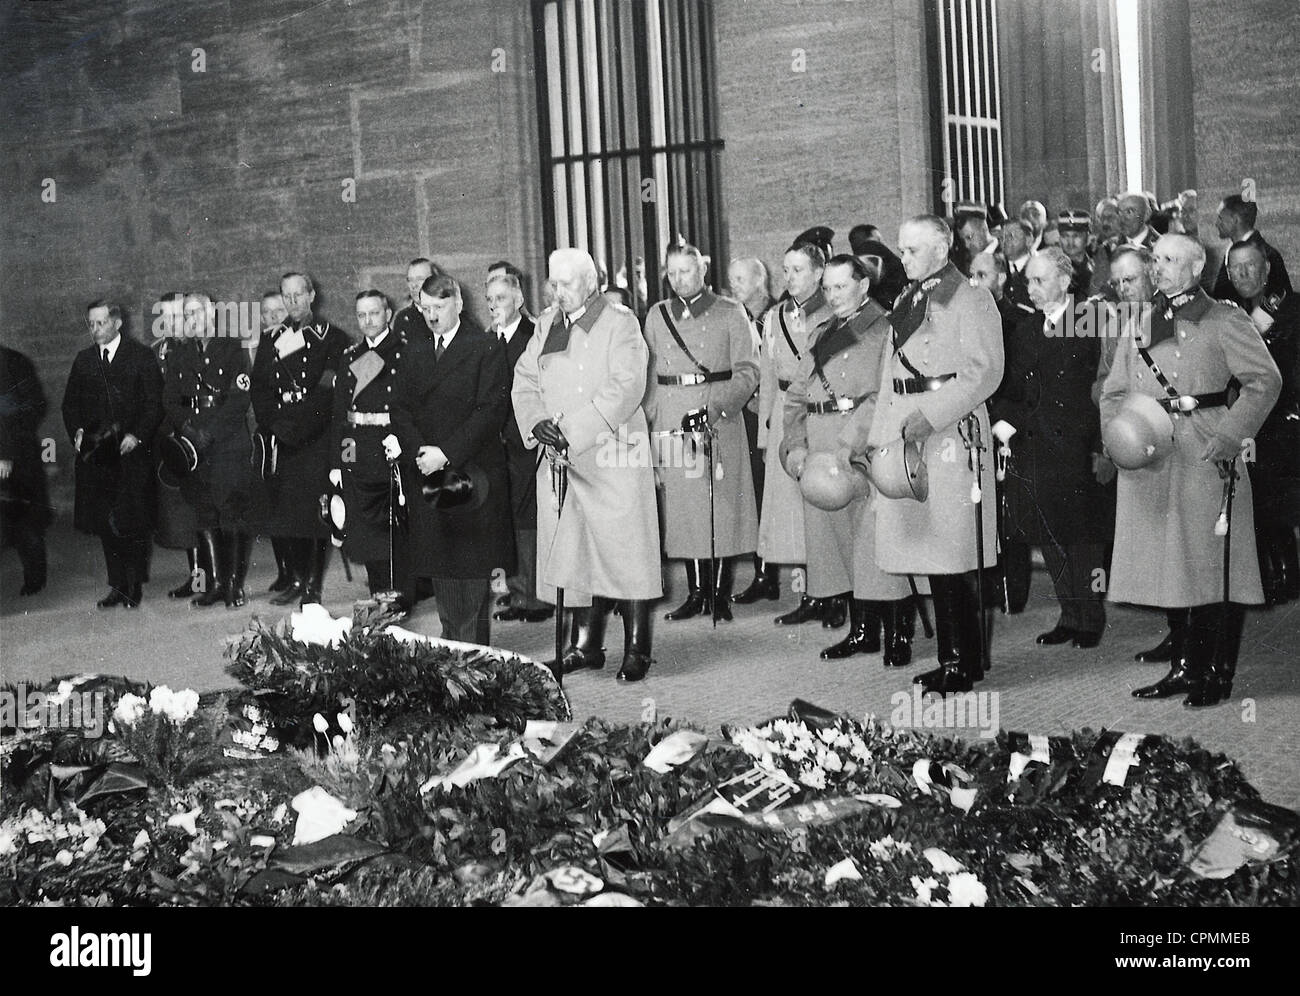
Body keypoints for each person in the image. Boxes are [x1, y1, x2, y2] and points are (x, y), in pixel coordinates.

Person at [1104, 234, 1281, 708]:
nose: (1157, 268)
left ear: (1196, 268)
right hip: (1150, 449)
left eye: (1168, 260)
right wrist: (1117, 434)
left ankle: (1214, 672)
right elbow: (1115, 391)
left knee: (1210, 566)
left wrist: (1232, 434)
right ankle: (1182, 665)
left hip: (1205, 446)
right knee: (1170, 564)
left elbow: (1265, 381)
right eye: (1155, 259)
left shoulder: (1224, 318)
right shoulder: (1141, 321)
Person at [511, 248, 663, 682]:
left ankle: (637, 648)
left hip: (613, 452)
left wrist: (573, 430)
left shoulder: (620, 322)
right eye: (553, 285)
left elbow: (627, 386)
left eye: (567, 284)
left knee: (625, 550)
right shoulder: (545, 325)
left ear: (591, 284)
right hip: (559, 455)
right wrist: (537, 421)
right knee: (574, 549)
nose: (557, 293)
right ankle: (585, 645)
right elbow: (525, 380)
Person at [868, 216, 1003, 695]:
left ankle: (965, 663)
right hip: (906, 427)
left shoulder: (970, 297)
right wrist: (879, 437)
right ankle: (950, 658)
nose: (902, 258)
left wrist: (934, 414)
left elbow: (985, 372)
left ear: (942, 248)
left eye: (911, 250)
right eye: (902, 250)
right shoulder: (907, 299)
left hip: (948, 429)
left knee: (953, 549)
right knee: (929, 550)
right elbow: (889, 375)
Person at [782, 255, 914, 662]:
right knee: (838, 539)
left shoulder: (885, 328)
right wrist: (795, 446)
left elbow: (885, 394)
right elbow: (796, 396)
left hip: (864, 441)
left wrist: (849, 444)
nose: (833, 295)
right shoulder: (821, 333)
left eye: (841, 287)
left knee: (873, 539)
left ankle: (897, 633)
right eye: (828, 288)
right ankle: (862, 630)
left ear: (863, 286)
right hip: (820, 441)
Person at [992, 249, 1111, 649]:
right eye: (1029, 281)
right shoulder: (1025, 329)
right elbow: (1009, 389)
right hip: (1033, 443)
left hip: (1077, 445)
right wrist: (1003, 421)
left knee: (1082, 536)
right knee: (1049, 533)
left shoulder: (1091, 319)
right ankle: (1068, 614)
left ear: (1065, 281)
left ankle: (1090, 616)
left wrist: (1100, 445)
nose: (1033, 289)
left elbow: (1105, 386)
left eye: (1040, 281)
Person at [392, 274, 513, 645]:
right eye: (425, 309)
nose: (432, 316)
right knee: (442, 570)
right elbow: (399, 408)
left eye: (439, 308)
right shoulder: (413, 349)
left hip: (469, 474)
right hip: (427, 471)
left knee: (468, 578)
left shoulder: (484, 346)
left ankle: (472, 661)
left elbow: (490, 411)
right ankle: (454, 654)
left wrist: (446, 453)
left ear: (458, 303)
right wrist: (420, 452)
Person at [644, 243, 759, 623]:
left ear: (703, 271)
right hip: (672, 417)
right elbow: (649, 376)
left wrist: (719, 406)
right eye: (672, 273)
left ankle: (719, 594)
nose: (679, 280)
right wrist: (650, 423)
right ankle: (696, 592)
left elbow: (748, 370)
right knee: (685, 509)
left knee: (721, 505)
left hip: (717, 415)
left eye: (686, 272)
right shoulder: (658, 315)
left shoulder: (730, 311)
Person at [739, 244, 832, 619]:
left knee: (819, 499)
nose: (790, 277)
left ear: (818, 274)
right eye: (787, 270)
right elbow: (765, 373)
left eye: (798, 270)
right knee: (791, 508)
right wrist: (765, 435)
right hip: (781, 412)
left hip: (816, 412)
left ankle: (828, 590)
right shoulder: (775, 316)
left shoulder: (831, 313)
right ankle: (810, 593)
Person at [250, 272, 348, 607]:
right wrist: (275, 424)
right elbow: (260, 388)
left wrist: (302, 427)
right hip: (282, 432)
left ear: (311, 295)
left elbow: (327, 390)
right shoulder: (271, 338)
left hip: (314, 434)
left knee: (312, 514)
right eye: (286, 296)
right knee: (288, 512)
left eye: (298, 295)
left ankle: (312, 584)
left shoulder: (331, 338)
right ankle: (294, 578)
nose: (292, 302)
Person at [62, 301, 164, 608]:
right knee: (107, 523)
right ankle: (117, 585)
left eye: (101, 323)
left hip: (130, 453)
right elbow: (70, 405)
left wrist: (137, 435)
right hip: (98, 455)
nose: (95, 330)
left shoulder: (141, 356)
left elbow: (153, 404)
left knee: (131, 521)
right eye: (91, 324)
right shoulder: (83, 360)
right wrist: (77, 431)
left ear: (117, 323)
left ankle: (134, 584)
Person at [162, 292, 258, 608]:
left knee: (231, 514)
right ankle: (215, 583)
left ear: (211, 313)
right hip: (193, 448)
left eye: (197, 313)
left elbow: (239, 399)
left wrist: (210, 434)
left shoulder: (232, 347)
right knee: (205, 513)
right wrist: (188, 431)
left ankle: (234, 585)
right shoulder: (179, 353)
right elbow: (170, 400)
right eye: (187, 315)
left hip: (227, 443)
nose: (192, 320)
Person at [1227, 240, 1300, 605]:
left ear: (1268, 268)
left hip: (1283, 422)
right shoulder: (1227, 313)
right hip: (1245, 421)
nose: (1243, 275)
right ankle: (1269, 576)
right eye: (1235, 269)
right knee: (1253, 502)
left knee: (1277, 503)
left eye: (1250, 266)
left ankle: (1286, 574)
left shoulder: (1292, 309)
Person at [329, 291, 412, 609]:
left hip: (390, 446)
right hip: (357, 448)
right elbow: (340, 414)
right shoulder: (351, 355)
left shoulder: (403, 351)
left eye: (374, 313)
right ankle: (379, 593)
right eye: (361, 315)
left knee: (393, 527)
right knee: (365, 529)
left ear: (388, 313)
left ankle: (399, 596)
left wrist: (401, 439)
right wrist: (336, 461)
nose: (367, 321)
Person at [485, 271, 551, 623]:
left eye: (502, 299)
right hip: (497, 447)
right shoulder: (487, 339)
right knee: (507, 519)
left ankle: (537, 596)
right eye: (491, 300)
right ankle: (517, 590)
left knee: (529, 520)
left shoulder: (531, 336)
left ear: (519, 300)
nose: (495, 306)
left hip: (525, 441)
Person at [149, 292, 206, 599]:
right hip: (168, 442)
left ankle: (209, 579)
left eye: (178, 316)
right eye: (166, 317)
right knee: (180, 517)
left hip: (194, 438)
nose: (173, 323)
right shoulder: (157, 351)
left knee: (200, 513)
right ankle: (197, 578)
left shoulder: (199, 347)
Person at [728, 256, 774, 602]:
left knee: (768, 494)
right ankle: (762, 573)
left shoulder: (775, 315)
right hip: (739, 415)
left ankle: (769, 572)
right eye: (731, 280)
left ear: (760, 280)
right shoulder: (734, 316)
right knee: (752, 494)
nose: (734, 286)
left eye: (741, 279)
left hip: (764, 412)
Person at [0, 344, 52, 596]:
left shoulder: (13, 362)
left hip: (18, 456)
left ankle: (34, 577)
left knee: (24, 521)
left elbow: (32, 407)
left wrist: (8, 453)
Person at [1212, 194, 1292, 307]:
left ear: (1235, 220)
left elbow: (1282, 300)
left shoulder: (1269, 254)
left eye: (1220, 218)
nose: (1216, 223)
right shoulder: (1230, 251)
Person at [391, 258, 440, 342]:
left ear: (435, 280)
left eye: (420, 279)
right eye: (410, 280)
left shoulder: (450, 314)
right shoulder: (402, 319)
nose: (413, 285)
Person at [1056, 210, 1094, 295]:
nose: (1070, 242)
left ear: (1088, 239)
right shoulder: (1053, 271)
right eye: (1065, 236)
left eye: (1076, 236)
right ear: (1059, 239)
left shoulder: (1098, 269)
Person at [1001, 220, 1035, 310]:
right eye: (1002, 237)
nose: (1005, 241)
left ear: (1029, 240)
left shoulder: (1038, 270)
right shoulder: (997, 267)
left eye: (1011, 236)